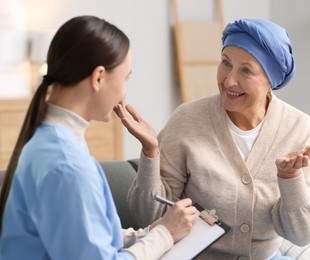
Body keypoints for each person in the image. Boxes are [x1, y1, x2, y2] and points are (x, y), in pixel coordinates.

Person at [116, 19, 310, 259]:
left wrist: (290, 179)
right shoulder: (187, 119)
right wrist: (150, 151)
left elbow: (304, 235)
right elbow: (151, 216)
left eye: (246, 70)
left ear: (271, 81)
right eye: (225, 64)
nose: (229, 80)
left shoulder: (298, 128)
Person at [0, 15, 198, 260]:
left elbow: (86, 234)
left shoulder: (51, 142)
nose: (125, 91)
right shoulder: (67, 165)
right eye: (125, 78)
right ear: (99, 77)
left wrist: (151, 233)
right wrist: (165, 234)